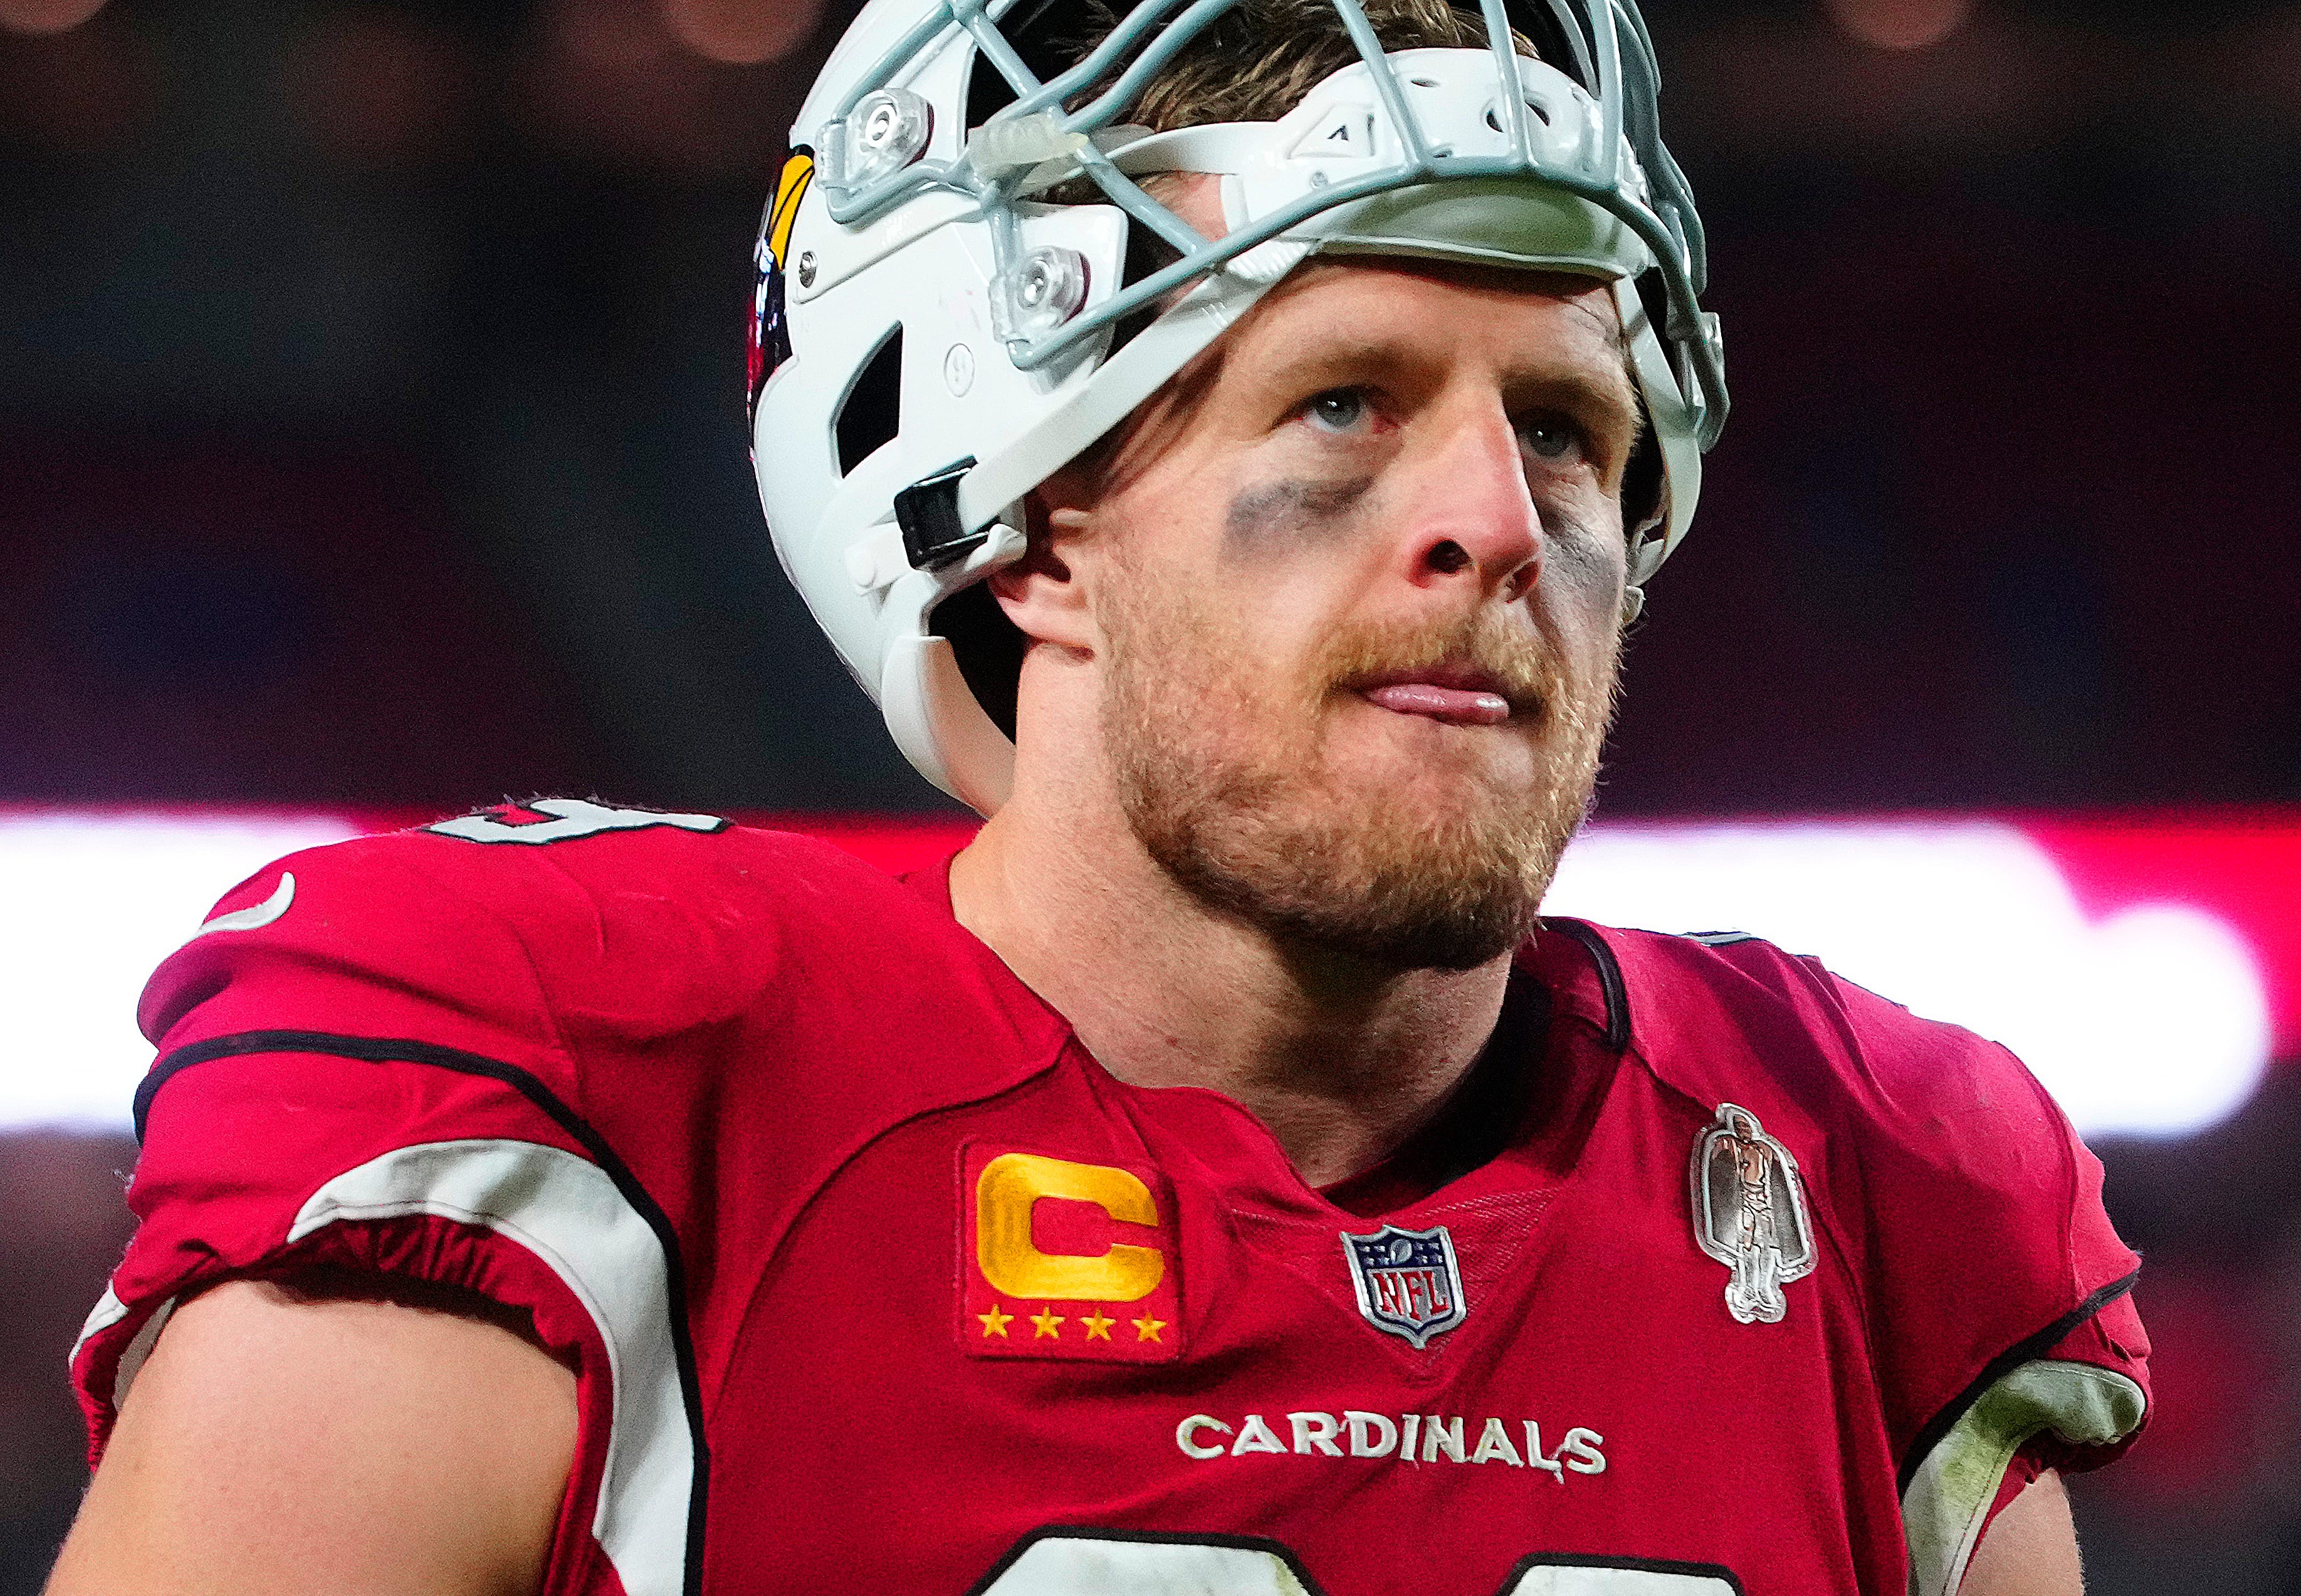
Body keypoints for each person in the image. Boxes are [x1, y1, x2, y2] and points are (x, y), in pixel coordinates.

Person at [47, 2, 2148, 1593]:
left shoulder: (1864, 1203)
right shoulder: (606, 1115)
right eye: (1345, 403)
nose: (1501, 525)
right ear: (1025, 527)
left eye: (1573, 432)